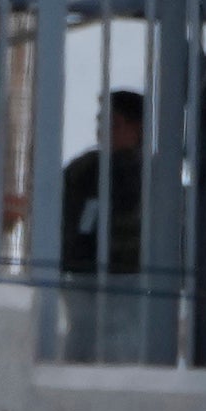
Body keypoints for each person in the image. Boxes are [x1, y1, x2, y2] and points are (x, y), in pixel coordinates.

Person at [59, 89, 151, 283]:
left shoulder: (152, 177)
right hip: (81, 279)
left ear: (138, 128)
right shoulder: (83, 170)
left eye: (113, 123)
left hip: (125, 282)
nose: (101, 130)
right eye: (101, 122)